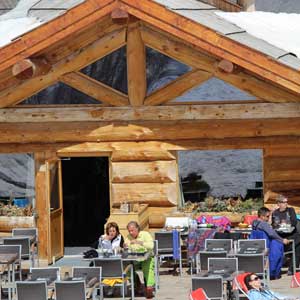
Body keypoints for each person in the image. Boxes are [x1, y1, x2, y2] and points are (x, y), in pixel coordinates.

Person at [252, 207, 290, 280]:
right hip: (267, 247)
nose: (268, 218)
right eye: (267, 216)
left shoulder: (254, 223)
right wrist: (282, 240)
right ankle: (273, 273)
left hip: (257, 245)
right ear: (262, 216)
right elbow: (272, 234)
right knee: (278, 245)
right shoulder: (263, 224)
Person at [124, 221, 155, 299]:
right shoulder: (128, 237)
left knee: (147, 268)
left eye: (132, 230)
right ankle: (137, 284)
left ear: (137, 229)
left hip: (146, 257)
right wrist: (125, 246)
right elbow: (127, 246)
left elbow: (151, 246)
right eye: (129, 231)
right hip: (134, 259)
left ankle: (149, 287)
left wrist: (139, 242)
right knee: (127, 269)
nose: (131, 232)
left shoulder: (145, 234)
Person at [272, 195, 300, 275]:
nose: (286, 204)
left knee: (298, 247)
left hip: (292, 234)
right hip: (281, 236)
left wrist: (286, 226)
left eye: (286, 202)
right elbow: (274, 225)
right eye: (284, 202)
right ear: (278, 203)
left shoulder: (290, 210)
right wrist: (280, 227)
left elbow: (294, 222)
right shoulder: (275, 212)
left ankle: (292, 269)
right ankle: (282, 267)